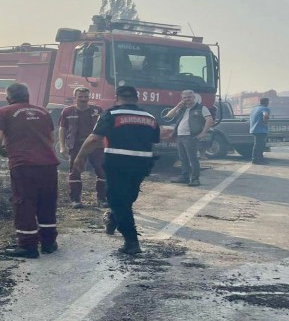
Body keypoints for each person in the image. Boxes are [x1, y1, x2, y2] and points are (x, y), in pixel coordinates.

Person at [73, 85, 159, 255]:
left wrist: (80, 156)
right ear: (137, 98)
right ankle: (113, 219)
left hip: (118, 163)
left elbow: (94, 139)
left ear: (116, 97)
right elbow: (156, 138)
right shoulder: (150, 117)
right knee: (127, 197)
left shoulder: (111, 114)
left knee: (117, 200)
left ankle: (131, 241)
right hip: (142, 165)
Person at [0, 83, 59, 258]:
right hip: (49, 164)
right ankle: (49, 242)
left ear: (8, 98)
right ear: (28, 95)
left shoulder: (3, 112)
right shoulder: (44, 112)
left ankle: (28, 245)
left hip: (23, 164)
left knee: (24, 202)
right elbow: (52, 138)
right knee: (47, 201)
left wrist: (1, 151)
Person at [59, 87, 106, 208]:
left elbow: (105, 128)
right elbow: (62, 128)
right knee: (75, 172)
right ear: (75, 98)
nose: (83, 99)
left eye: (86, 97)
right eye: (80, 97)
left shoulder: (98, 110)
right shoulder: (67, 111)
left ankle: (102, 199)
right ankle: (75, 200)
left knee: (102, 171)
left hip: (95, 145)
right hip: (76, 145)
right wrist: (62, 146)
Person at [164, 90, 213, 186]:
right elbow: (168, 115)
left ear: (194, 97)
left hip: (190, 137)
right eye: (184, 98)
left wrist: (203, 133)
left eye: (189, 97)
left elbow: (209, 120)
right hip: (180, 136)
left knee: (192, 158)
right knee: (183, 158)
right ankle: (184, 177)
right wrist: (178, 106)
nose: (187, 99)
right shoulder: (182, 108)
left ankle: (195, 179)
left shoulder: (201, 108)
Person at [250, 97, 271, 164]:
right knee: (260, 146)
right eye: (267, 102)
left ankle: (259, 159)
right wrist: (265, 121)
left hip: (254, 129)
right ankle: (257, 160)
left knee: (257, 145)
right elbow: (265, 115)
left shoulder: (255, 108)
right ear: (266, 102)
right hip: (261, 130)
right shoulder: (265, 108)